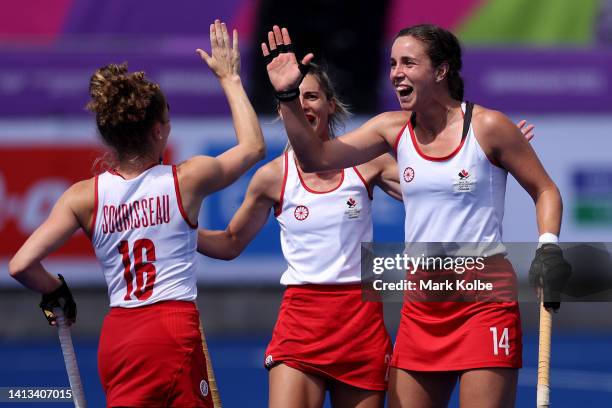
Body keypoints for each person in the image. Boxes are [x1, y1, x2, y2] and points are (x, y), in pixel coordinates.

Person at [260, 24, 566, 408]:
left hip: (483, 296)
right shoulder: (391, 128)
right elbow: (315, 157)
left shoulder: (489, 127)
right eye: (392, 64)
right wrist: (288, 96)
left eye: (408, 62)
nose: (395, 73)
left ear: (440, 71)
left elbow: (545, 190)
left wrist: (548, 247)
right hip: (422, 297)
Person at [196, 62, 535, 407]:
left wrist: (491, 154)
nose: (304, 105)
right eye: (295, 99)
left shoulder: (366, 164)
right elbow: (230, 243)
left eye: (312, 96)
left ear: (331, 105)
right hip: (301, 325)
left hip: (361, 327)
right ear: (283, 109)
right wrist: (183, 228)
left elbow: (440, 189)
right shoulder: (271, 178)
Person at [8, 20, 265, 408]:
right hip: (171, 329)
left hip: (119, 337)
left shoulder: (83, 197)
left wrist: (54, 290)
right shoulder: (186, 179)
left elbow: (21, 264)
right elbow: (252, 147)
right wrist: (229, 78)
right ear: (159, 131)